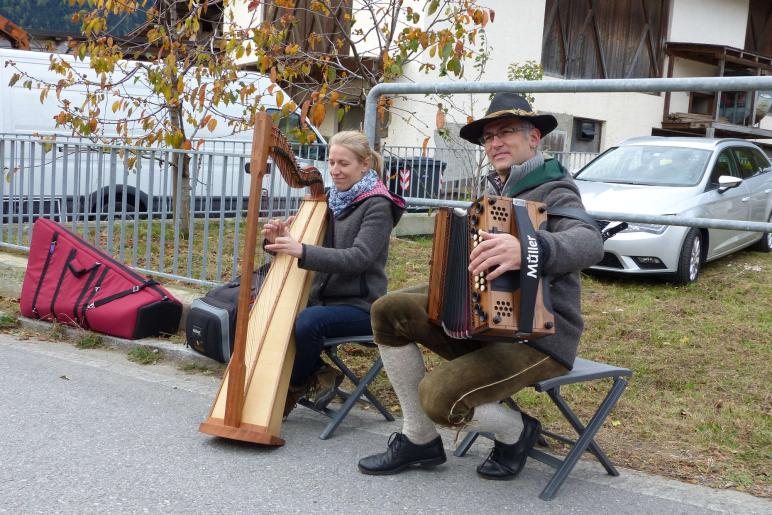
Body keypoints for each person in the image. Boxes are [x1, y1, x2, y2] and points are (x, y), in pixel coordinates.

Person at [357, 93, 604, 479]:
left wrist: (529, 248)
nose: (495, 143)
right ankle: (419, 440)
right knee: (388, 310)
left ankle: (517, 432)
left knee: (439, 399)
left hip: (540, 338)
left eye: (507, 132)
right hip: (488, 321)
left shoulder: (555, 189)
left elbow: (590, 241)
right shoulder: (496, 191)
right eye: (489, 137)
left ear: (534, 138)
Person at [262, 130, 406, 418]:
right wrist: (278, 240)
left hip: (360, 305)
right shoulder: (331, 199)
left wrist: (301, 250)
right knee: (256, 308)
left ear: (365, 165)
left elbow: (358, 258)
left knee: (307, 322)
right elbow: (306, 245)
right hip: (324, 298)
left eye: (344, 164)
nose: (335, 171)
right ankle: (318, 372)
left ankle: (295, 385)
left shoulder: (378, 205)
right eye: (331, 163)